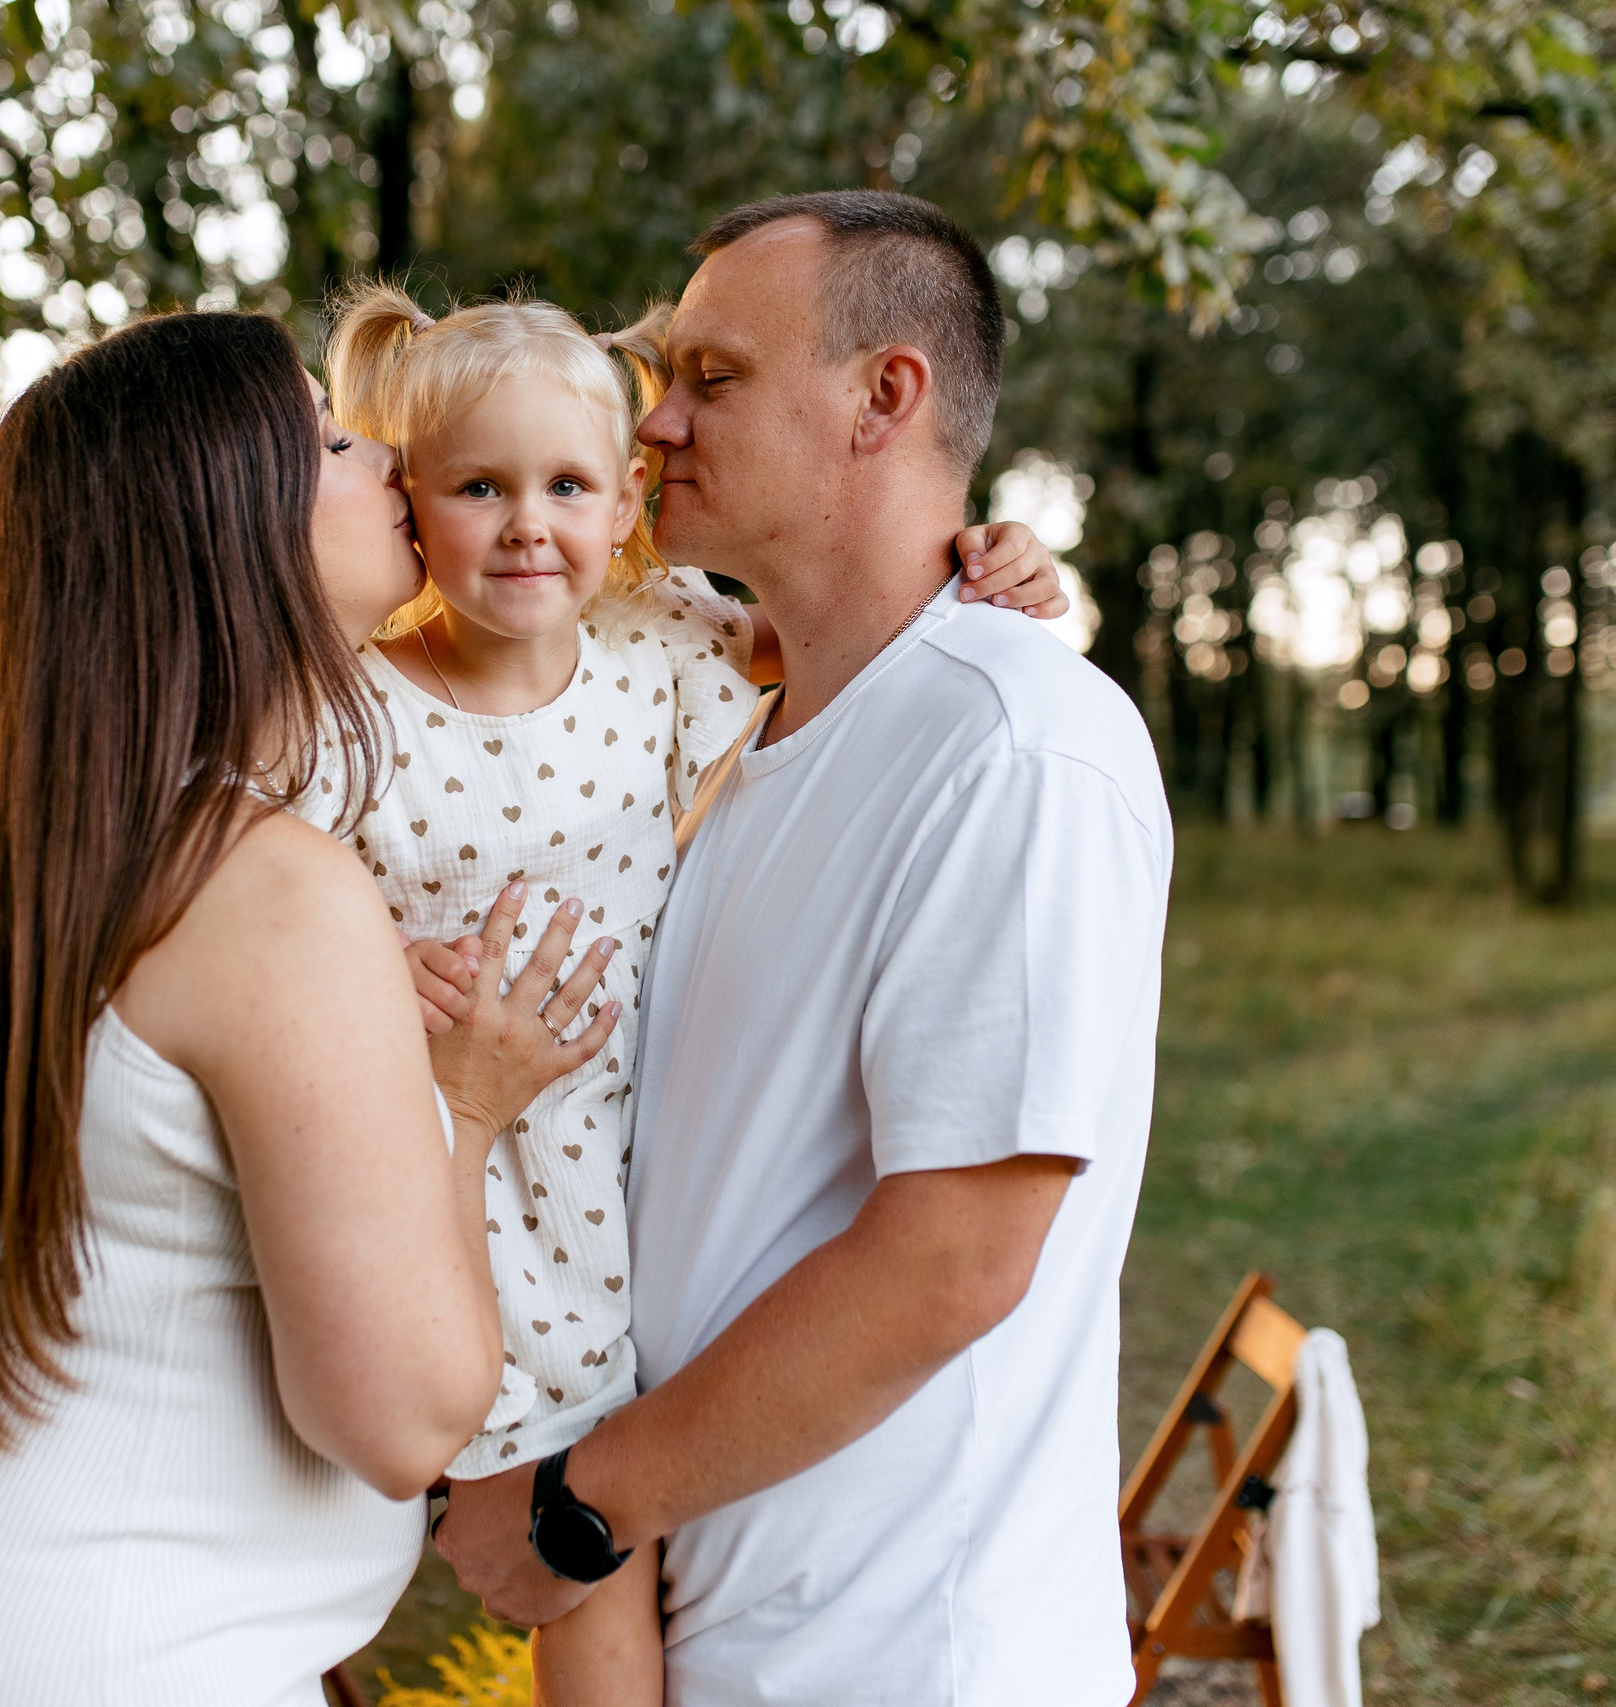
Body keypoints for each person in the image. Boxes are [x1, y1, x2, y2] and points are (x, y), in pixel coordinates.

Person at [0, 311, 619, 1707]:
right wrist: (467, 1102)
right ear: (227, 528)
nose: (389, 453)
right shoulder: (268, 888)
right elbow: (402, 1417)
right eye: (332, 442)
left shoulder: (30, 864)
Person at [433, 191, 1174, 1706]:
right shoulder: (739, 744)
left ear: (884, 398)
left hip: (909, 1666)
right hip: (727, 1639)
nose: (653, 431)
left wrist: (579, 1507)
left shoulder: (1015, 746)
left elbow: (955, 1262)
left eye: (712, 378)